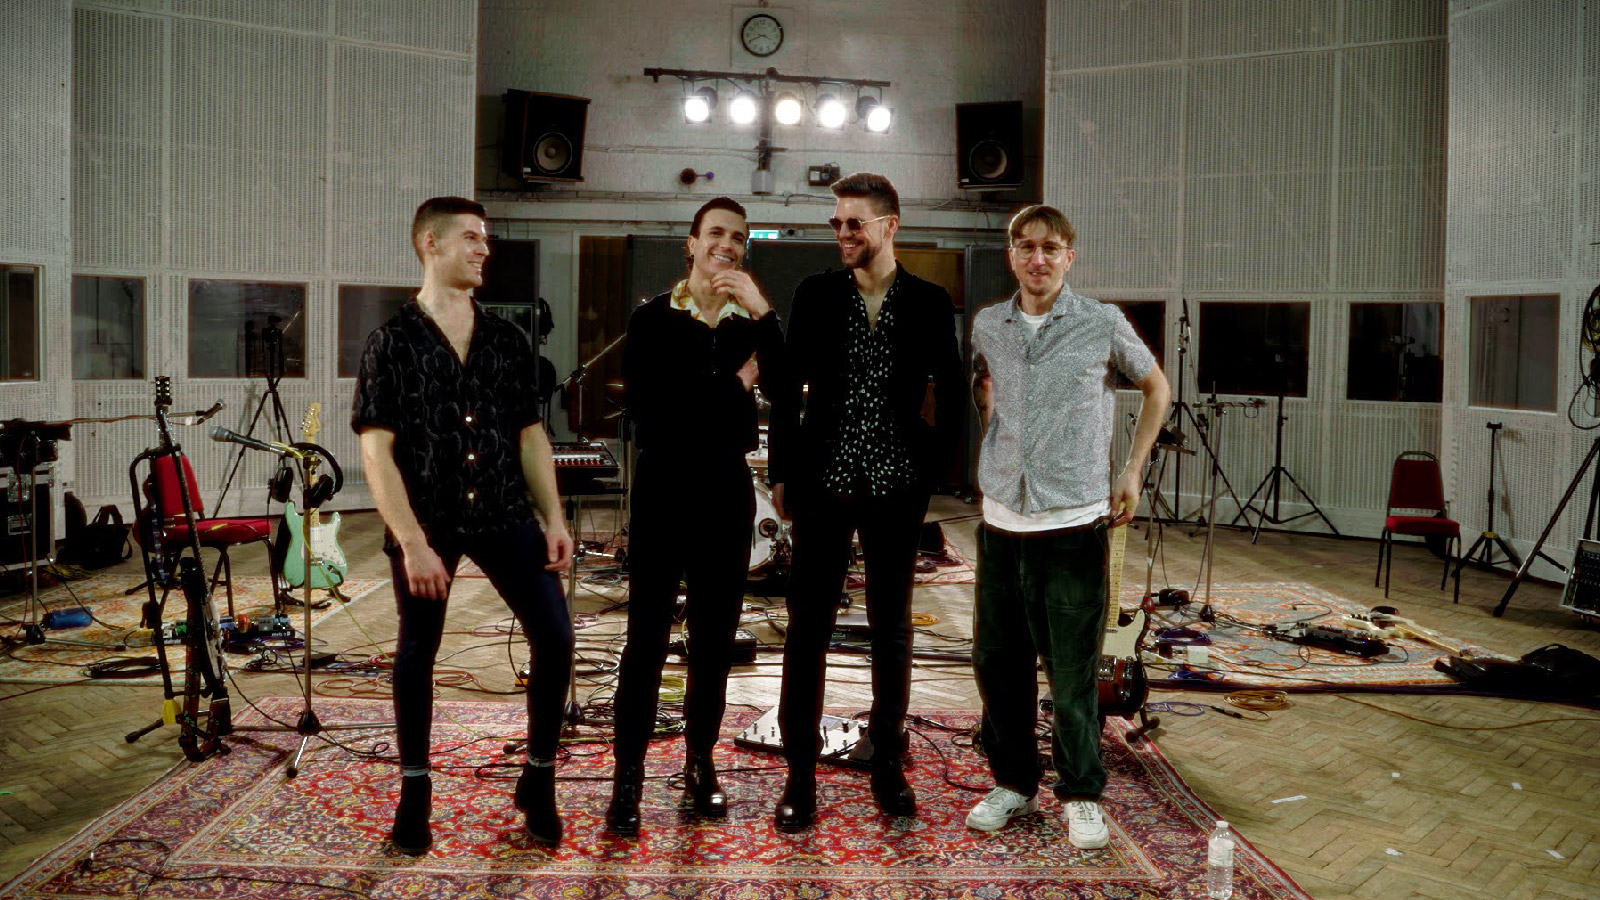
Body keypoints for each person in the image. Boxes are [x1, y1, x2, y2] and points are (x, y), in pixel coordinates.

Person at [352, 196, 575, 854]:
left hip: (504, 511)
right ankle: (414, 793)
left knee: (556, 637)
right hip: (429, 522)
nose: (485, 250)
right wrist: (412, 543)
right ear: (431, 243)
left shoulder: (507, 340)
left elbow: (530, 436)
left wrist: (553, 516)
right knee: (417, 652)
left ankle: (539, 778)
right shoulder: (391, 341)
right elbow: (376, 452)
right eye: (472, 238)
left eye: (485, 239)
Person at [963, 204, 1170, 849]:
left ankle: (1081, 792)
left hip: (1074, 524)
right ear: (1011, 255)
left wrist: (1132, 470)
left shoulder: (1101, 322)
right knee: (998, 665)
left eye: (1050, 248)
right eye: (1026, 246)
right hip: (1001, 522)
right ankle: (1015, 783)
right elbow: (987, 392)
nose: (1038, 258)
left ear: (1068, 256)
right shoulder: (988, 324)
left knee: (1073, 671)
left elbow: (1158, 389)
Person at [767, 172, 965, 831]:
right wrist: (782, 471)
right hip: (822, 483)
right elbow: (788, 388)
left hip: (896, 487)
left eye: (855, 223)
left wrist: (931, 470)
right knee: (807, 627)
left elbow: (952, 392)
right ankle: (799, 774)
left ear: (890, 225)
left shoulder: (929, 302)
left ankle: (885, 764)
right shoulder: (816, 294)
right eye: (837, 223)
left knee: (891, 628)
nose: (843, 233)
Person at [605, 197, 789, 835]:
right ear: (691, 243)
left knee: (713, 642)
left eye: (738, 237)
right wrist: (734, 388)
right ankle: (627, 777)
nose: (727, 245)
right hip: (664, 487)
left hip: (724, 490)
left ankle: (699, 765)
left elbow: (788, 390)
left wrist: (765, 314)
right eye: (716, 233)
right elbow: (652, 414)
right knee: (646, 641)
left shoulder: (750, 324)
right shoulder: (652, 318)